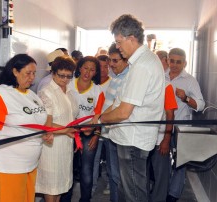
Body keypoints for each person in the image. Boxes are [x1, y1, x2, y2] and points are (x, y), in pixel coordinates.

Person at [97, 14, 165, 202]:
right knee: (130, 191)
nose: (117, 47)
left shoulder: (142, 65)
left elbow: (124, 111)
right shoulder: (141, 62)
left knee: (134, 194)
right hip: (131, 138)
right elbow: (120, 101)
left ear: (131, 38)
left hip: (133, 140)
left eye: (119, 42)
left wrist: (100, 119)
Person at [0, 54, 50, 202]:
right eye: (28, 73)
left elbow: (39, 121)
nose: (32, 77)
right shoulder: (2, 94)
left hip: (30, 164)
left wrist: (48, 132)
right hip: (10, 165)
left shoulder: (32, 95)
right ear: (15, 72)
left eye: (34, 73)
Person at [35, 56, 78, 202]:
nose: (65, 79)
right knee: (51, 187)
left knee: (60, 186)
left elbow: (72, 117)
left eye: (69, 76)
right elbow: (45, 123)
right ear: (53, 73)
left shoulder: (69, 91)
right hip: (51, 146)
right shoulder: (46, 92)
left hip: (66, 145)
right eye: (61, 76)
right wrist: (67, 130)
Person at [165, 48, 205, 202]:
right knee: (161, 161)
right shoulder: (161, 77)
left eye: (178, 62)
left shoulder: (189, 80)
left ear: (185, 63)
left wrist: (186, 98)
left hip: (181, 128)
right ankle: (161, 189)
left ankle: (172, 196)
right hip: (161, 127)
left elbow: (201, 105)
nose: (174, 65)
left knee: (180, 162)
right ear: (168, 60)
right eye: (172, 60)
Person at [94, 43, 129, 202]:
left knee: (119, 176)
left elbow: (119, 109)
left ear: (126, 60)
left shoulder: (128, 79)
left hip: (119, 134)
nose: (111, 65)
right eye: (110, 60)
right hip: (109, 133)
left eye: (115, 61)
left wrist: (99, 119)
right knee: (113, 175)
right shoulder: (116, 77)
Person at [69, 56, 105, 202]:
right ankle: (65, 198)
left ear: (95, 72)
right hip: (68, 133)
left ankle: (85, 199)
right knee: (67, 169)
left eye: (92, 70)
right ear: (79, 68)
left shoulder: (98, 91)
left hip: (89, 134)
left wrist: (96, 135)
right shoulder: (68, 85)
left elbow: (99, 116)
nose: (87, 72)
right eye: (85, 68)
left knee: (86, 170)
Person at [148, 52, 178, 202]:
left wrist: (166, 139)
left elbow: (170, 115)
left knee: (161, 176)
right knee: (143, 175)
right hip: (143, 139)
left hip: (160, 139)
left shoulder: (167, 86)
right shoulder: (143, 84)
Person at [92, 54, 112, 195]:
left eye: (106, 66)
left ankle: (111, 185)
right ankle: (91, 187)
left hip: (111, 129)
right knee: (94, 159)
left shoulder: (114, 82)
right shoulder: (92, 84)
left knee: (111, 162)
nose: (103, 70)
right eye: (100, 67)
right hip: (95, 129)